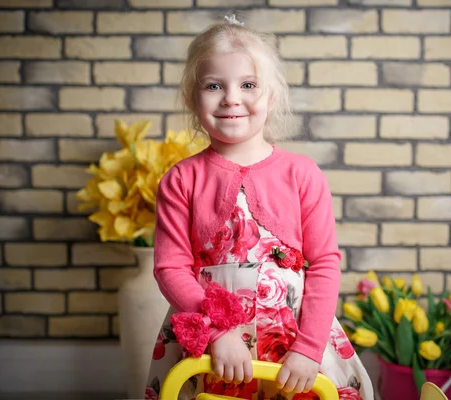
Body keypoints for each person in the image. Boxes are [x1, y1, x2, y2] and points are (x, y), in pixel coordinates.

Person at [144, 14, 374, 400]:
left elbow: (324, 264)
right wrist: (217, 331)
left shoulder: (303, 174)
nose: (232, 98)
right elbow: (170, 268)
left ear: (270, 96)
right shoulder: (180, 179)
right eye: (214, 85)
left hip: (295, 339)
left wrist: (308, 348)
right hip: (213, 344)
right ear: (192, 98)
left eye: (248, 85)